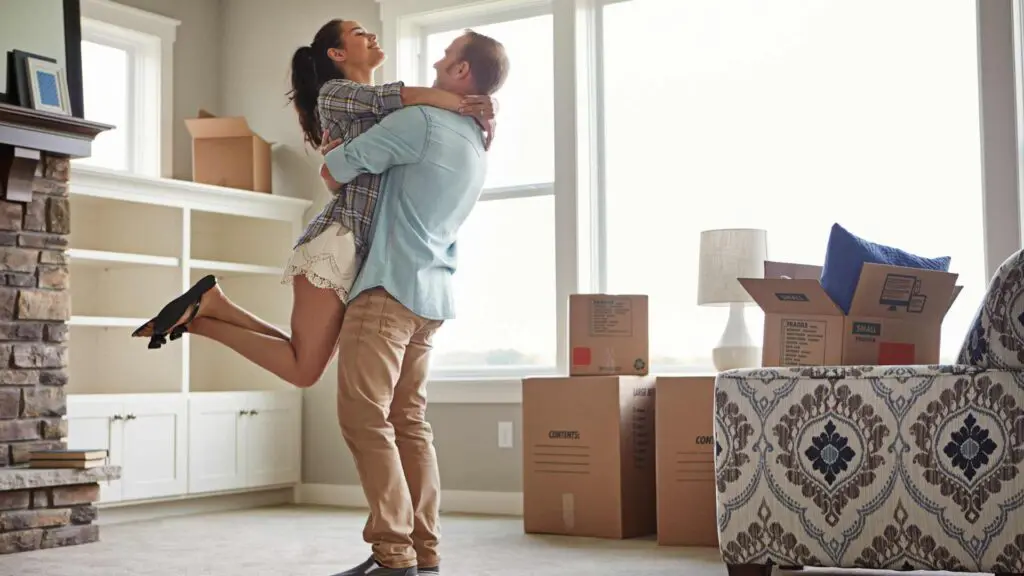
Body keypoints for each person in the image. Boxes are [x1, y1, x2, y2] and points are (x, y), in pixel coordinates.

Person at [129, 19, 495, 394]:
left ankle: (210, 308)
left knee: (302, 358)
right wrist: (466, 104)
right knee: (304, 369)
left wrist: (483, 109)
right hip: (336, 244)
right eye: (358, 34)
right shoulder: (336, 93)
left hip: (356, 250)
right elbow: (401, 97)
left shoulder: (391, 116)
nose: (371, 36)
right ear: (337, 54)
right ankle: (202, 319)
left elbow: (367, 171)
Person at [317, 29, 509, 576]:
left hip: (387, 289)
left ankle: (393, 551)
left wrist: (336, 154)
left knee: (364, 417)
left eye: (448, 55)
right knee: (409, 421)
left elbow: (334, 172)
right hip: (431, 296)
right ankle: (424, 552)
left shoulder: (419, 122)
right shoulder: (476, 139)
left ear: (462, 73)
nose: (438, 59)